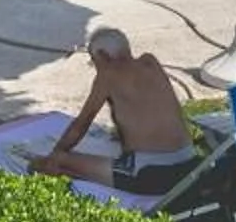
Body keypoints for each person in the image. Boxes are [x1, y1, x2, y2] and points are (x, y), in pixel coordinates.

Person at [30, 26, 201, 197]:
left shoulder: (107, 74)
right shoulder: (150, 62)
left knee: (55, 163)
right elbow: (146, 108)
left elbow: (80, 126)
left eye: (93, 59)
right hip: (189, 160)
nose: (94, 66)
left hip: (151, 172)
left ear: (103, 56)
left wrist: (55, 154)